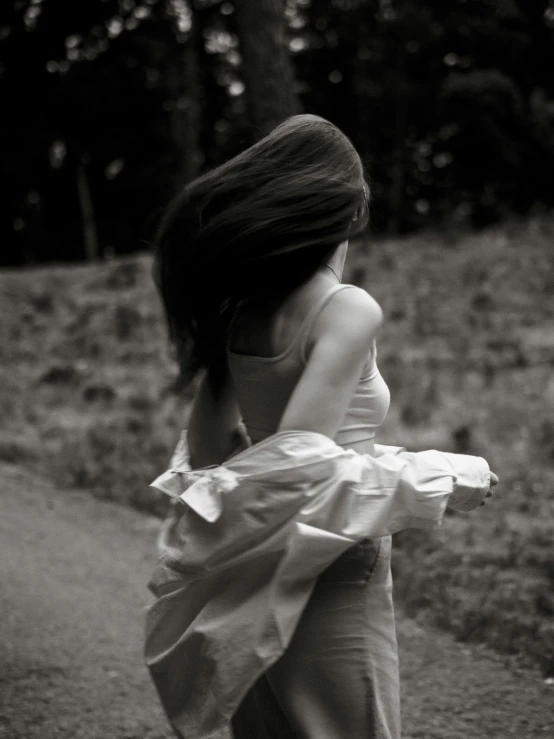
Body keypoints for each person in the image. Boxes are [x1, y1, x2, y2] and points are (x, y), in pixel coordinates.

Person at [148, 114, 498, 739]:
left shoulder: (240, 314)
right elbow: (301, 472)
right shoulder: (346, 307)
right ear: (347, 208)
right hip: (335, 562)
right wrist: (447, 473)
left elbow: (208, 455)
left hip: (247, 571)